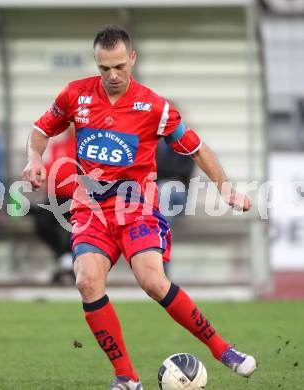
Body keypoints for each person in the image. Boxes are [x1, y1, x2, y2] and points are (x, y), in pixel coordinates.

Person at [22, 26, 256, 389]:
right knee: (86, 281)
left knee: (152, 281)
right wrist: (33, 158)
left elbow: (196, 148)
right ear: (96, 64)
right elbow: (40, 129)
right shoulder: (75, 95)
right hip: (91, 211)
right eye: (104, 68)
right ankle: (126, 378)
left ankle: (224, 350)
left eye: (119, 66)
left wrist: (226, 191)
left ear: (132, 59)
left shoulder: (156, 107)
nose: (112, 75)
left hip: (136, 208)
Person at [31, 126, 77, 283]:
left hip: (81, 198)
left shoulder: (88, 145)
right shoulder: (58, 145)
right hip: (57, 196)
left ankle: (68, 261)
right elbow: (50, 169)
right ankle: (64, 257)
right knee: (42, 222)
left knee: (76, 227)